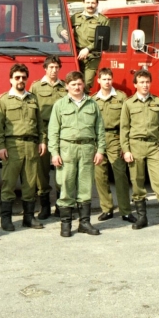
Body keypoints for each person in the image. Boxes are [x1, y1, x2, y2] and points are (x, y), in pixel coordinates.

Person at [47, 71, 106, 237]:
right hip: (67, 149)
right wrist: (54, 153)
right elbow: (53, 132)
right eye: (73, 84)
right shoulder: (60, 105)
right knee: (66, 186)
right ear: (67, 86)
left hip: (87, 149)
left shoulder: (92, 104)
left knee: (85, 186)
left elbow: (100, 130)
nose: (77, 87)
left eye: (79, 84)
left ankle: (85, 223)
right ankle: (66, 224)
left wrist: (100, 150)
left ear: (83, 85)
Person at [121, 69, 159, 232]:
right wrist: (126, 150)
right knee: (137, 183)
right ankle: (141, 218)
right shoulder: (128, 104)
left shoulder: (158, 102)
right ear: (135, 84)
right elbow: (124, 128)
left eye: (147, 82)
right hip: (135, 146)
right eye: (142, 82)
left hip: (153, 147)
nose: (145, 85)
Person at [0, 64, 45, 232]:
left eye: (23, 77)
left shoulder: (33, 99)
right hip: (12, 146)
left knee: (30, 183)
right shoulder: (4, 100)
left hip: (31, 146)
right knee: (8, 183)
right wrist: (0, 146)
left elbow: (40, 125)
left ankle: (28, 218)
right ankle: (6, 219)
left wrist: (42, 141)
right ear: (11, 79)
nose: (20, 80)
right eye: (17, 77)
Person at [92, 67, 135, 223]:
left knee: (120, 175)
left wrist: (126, 146)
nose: (107, 82)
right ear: (98, 80)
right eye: (104, 79)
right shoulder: (93, 100)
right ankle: (107, 208)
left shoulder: (121, 98)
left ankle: (125, 210)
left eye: (109, 79)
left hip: (116, 138)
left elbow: (127, 122)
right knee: (100, 176)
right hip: (98, 139)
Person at [31, 55, 67, 219]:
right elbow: (32, 112)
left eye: (56, 67)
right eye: (51, 67)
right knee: (42, 171)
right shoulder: (36, 87)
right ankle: (45, 206)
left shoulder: (65, 87)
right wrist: (39, 137)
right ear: (45, 68)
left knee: (61, 169)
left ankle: (60, 205)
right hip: (44, 132)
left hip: (61, 132)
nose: (54, 70)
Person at [72, 0, 110, 91]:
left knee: (86, 84)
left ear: (97, 4)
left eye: (93, 3)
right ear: (83, 3)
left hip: (92, 58)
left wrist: (87, 49)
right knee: (73, 83)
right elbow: (61, 26)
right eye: (88, 2)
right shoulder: (75, 17)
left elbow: (102, 39)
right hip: (75, 56)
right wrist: (62, 31)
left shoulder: (103, 20)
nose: (90, 5)